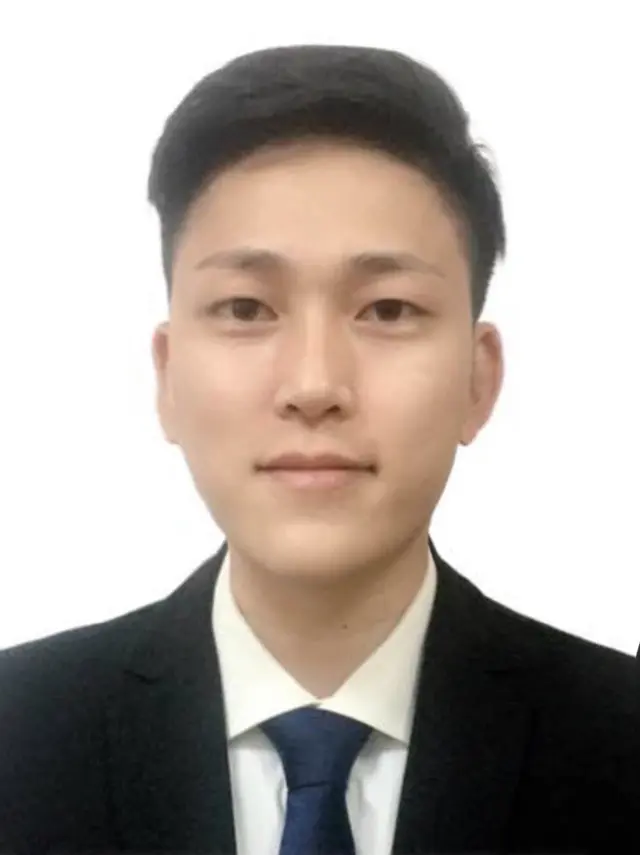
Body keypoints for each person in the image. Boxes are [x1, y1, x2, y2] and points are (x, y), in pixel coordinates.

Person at [0, 44, 638, 855]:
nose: (313, 384)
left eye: (387, 310)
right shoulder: (19, 736)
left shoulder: (618, 739)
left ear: (479, 379)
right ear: (167, 375)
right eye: (245, 308)